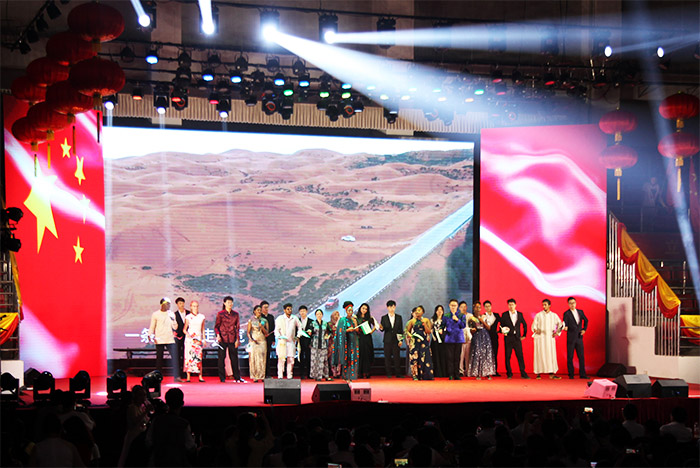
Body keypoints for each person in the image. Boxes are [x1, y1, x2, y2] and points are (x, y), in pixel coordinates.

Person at [146, 388, 195, 467]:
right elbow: (190, 447)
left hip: (158, 463)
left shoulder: (156, 421)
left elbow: (149, 442)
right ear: (182, 403)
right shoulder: (184, 424)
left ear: (166, 402)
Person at [117, 385, 152, 467]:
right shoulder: (132, 408)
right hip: (133, 437)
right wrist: (146, 412)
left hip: (140, 437)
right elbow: (135, 421)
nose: (143, 397)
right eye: (141, 395)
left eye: (144, 395)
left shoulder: (141, 407)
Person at [148, 297, 181, 382]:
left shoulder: (171, 314)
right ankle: (157, 377)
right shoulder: (156, 314)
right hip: (159, 339)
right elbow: (152, 326)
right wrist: (150, 334)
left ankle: (177, 376)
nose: (169, 306)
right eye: (167, 304)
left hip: (170, 338)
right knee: (159, 359)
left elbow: (175, 327)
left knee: (174, 358)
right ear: (162, 304)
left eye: (169, 304)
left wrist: (173, 319)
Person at [531, 299, 563, 379]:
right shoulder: (539, 315)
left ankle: (551, 373)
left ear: (549, 305)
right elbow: (534, 326)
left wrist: (557, 333)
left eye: (545, 305)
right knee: (539, 354)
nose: (544, 306)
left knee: (550, 355)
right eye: (543, 305)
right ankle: (538, 373)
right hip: (540, 338)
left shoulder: (554, 315)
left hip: (549, 337)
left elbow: (560, 324)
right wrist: (536, 330)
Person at [215, 296, 244, 383]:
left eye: (231, 303)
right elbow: (216, 327)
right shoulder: (220, 314)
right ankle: (222, 377)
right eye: (228, 303)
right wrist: (218, 335)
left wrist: (237, 340)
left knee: (234, 358)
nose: (230, 304)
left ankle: (237, 377)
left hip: (232, 338)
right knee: (221, 358)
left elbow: (237, 328)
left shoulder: (235, 314)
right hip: (222, 338)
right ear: (224, 303)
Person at [500, 298, 529, 379]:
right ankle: (509, 373)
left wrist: (524, 335)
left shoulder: (519, 314)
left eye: (512, 304)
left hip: (517, 338)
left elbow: (524, 324)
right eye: (509, 305)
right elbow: (501, 325)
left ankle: (523, 372)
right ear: (508, 305)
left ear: (515, 305)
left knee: (520, 356)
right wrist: (503, 331)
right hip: (508, 338)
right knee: (507, 356)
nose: (511, 306)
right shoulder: (505, 314)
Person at [331, 301, 360, 381]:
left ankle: (352, 376)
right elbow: (339, 331)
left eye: (352, 311)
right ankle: (345, 376)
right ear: (346, 311)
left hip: (353, 341)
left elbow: (357, 330)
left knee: (353, 358)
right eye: (349, 311)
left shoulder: (354, 319)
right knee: (346, 359)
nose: (350, 312)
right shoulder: (342, 320)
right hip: (346, 342)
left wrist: (356, 324)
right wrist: (347, 330)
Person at [562, 296, 589, 379]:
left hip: (579, 337)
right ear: (568, 304)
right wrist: (565, 327)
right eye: (570, 303)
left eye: (573, 303)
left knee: (581, 356)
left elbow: (586, 320)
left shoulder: (580, 312)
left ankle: (582, 374)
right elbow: (565, 324)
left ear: (576, 303)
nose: (572, 305)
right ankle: (571, 374)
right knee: (570, 356)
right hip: (571, 337)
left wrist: (584, 329)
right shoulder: (566, 313)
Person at [467, 304, 496, 380]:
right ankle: (477, 373)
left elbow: (488, 327)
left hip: (485, 337)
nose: (478, 309)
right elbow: (470, 329)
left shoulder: (484, 317)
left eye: (479, 307)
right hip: (477, 337)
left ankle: (487, 373)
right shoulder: (471, 319)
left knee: (486, 354)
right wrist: (472, 330)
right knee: (478, 354)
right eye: (476, 307)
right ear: (474, 308)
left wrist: (482, 320)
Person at [405, 305, 434, 380]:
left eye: (419, 310)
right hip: (415, 342)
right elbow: (407, 331)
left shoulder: (426, 320)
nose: (417, 312)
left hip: (424, 341)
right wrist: (410, 336)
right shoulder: (412, 321)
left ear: (423, 312)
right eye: (416, 310)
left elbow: (429, 331)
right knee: (415, 358)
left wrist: (425, 325)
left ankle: (425, 375)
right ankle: (415, 375)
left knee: (424, 357)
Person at [275, 303, 301, 379]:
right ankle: (280, 375)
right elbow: (276, 330)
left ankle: (290, 375)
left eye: (290, 309)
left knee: (291, 359)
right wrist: (279, 336)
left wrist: (298, 336)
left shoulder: (294, 318)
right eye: (288, 309)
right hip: (282, 342)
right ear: (284, 310)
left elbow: (300, 327)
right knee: (281, 359)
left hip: (291, 342)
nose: (290, 310)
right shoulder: (280, 318)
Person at [379, 300, 404, 378]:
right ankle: (389, 373)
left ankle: (398, 373)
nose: (392, 309)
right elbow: (382, 329)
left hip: (396, 340)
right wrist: (381, 328)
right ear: (387, 308)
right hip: (387, 340)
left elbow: (400, 329)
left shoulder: (399, 317)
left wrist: (401, 340)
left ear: (395, 307)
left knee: (397, 357)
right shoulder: (384, 317)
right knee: (387, 357)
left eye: (393, 307)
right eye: (390, 307)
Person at [183, 300, 206, 382]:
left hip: (198, 339)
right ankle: (188, 376)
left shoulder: (201, 317)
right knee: (189, 357)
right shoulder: (188, 317)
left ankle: (200, 376)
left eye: (196, 306)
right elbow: (184, 329)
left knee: (199, 357)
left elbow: (203, 329)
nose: (195, 308)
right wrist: (188, 334)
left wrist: (204, 339)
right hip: (190, 340)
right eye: (193, 306)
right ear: (191, 307)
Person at [444, 298, 466, 380]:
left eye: (455, 305)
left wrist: (457, 320)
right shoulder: (446, 316)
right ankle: (450, 374)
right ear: (449, 306)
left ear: (457, 306)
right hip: (449, 338)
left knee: (457, 357)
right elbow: (442, 325)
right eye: (452, 305)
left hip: (458, 338)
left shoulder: (461, 315)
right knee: (449, 357)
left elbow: (463, 325)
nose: (453, 307)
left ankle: (457, 374)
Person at [309, 309, 333, 381]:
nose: (319, 315)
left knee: (324, 360)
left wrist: (327, 335)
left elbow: (330, 331)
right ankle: (317, 376)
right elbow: (310, 332)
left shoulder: (325, 323)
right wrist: (309, 332)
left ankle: (326, 376)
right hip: (315, 344)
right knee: (315, 360)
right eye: (317, 314)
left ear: (322, 315)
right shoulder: (313, 323)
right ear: (315, 315)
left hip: (323, 344)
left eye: (320, 314)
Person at [247, 304, 268, 382]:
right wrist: (251, 339)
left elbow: (267, 333)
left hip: (262, 341)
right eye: (257, 310)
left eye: (260, 310)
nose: (259, 311)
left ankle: (262, 376)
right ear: (254, 311)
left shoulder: (264, 321)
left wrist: (261, 326)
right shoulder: (251, 320)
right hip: (254, 341)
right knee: (254, 359)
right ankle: (255, 376)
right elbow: (248, 332)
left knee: (262, 359)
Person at [356, 302, 376, 379]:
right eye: (363, 308)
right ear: (360, 308)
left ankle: (366, 372)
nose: (364, 310)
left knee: (367, 355)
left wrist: (371, 331)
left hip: (367, 338)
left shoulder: (369, 318)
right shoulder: (356, 318)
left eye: (366, 309)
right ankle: (359, 373)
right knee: (360, 354)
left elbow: (376, 325)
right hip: (360, 337)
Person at [173, 297, 190, 380]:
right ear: (177, 304)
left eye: (182, 303)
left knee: (187, 355)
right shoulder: (174, 314)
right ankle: (179, 373)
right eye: (179, 303)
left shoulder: (189, 313)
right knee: (179, 355)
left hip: (188, 337)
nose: (181, 305)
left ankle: (186, 373)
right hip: (179, 338)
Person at [483, 300, 501, 377]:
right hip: (486, 337)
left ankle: (495, 371)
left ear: (491, 306)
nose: (488, 308)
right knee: (486, 354)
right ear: (484, 307)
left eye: (489, 306)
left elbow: (502, 323)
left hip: (494, 337)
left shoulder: (496, 315)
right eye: (486, 306)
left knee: (495, 353)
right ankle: (486, 371)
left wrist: (500, 330)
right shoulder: (483, 316)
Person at [430, 305, 447, 378]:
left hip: (443, 341)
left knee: (443, 356)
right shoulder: (432, 320)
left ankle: (444, 373)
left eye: (441, 310)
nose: (439, 311)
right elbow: (430, 329)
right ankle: (437, 373)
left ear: (443, 311)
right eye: (438, 310)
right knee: (435, 356)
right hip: (435, 341)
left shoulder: (445, 320)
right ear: (435, 311)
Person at [297, 305, 313, 379]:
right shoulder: (297, 321)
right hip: (300, 342)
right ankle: (302, 374)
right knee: (300, 358)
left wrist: (310, 332)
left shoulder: (311, 321)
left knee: (308, 358)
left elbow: (313, 331)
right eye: (301, 311)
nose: (302, 313)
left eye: (304, 311)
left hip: (308, 343)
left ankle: (309, 374)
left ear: (306, 312)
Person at [260, 301, 276, 376]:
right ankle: (261, 373)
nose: (266, 309)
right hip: (260, 340)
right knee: (261, 356)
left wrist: (273, 339)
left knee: (267, 356)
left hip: (269, 339)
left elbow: (273, 328)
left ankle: (267, 373)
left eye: (267, 307)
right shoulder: (259, 317)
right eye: (265, 307)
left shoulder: (271, 317)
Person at [459, 301, 475, 376]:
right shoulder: (457, 316)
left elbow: (474, 325)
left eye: (465, 306)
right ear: (459, 308)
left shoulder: (470, 316)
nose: (463, 308)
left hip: (469, 336)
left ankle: (468, 371)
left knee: (468, 354)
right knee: (461, 355)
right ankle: (461, 371)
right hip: (460, 336)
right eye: (462, 307)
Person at [328, 310, 341, 378]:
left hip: (340, 342)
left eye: (338, 315)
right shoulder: (329, 324)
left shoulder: (341, 323)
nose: (336, 316)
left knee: (339, 357)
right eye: (335, 315)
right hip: (332, 343)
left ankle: (339, 371)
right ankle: (333, 371)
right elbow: (332, 330)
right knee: (332, 358)